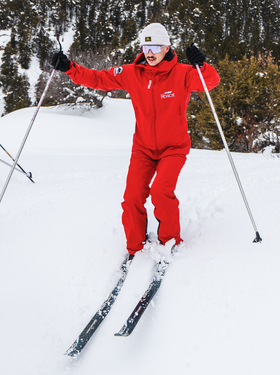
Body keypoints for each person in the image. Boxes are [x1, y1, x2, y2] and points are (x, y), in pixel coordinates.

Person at [49, 23, 220, 256]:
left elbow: (210, 82)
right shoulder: (131, 73)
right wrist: (69, 68)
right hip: (143, 148)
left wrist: (202, 65)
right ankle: (135, 247)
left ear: (167, 47)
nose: (150, 53)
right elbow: (98, 79)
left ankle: (169, 241)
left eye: (156, 47)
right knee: (132, 197)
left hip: (174, 147)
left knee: (161, 192)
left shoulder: (182, 73)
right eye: (146, 46)